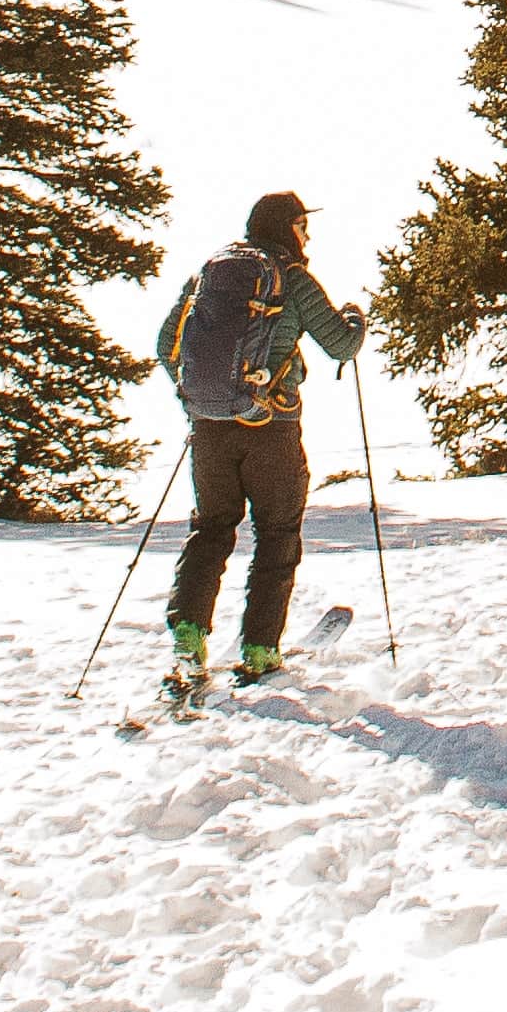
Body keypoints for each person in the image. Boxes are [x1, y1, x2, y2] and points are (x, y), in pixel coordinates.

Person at [154, 190, 365, 694]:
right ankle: (260, 650)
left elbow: (168, 345)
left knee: (210, 529)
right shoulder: (292, 279)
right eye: (302, 226)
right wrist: (356, 317)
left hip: (209, 429)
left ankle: (188, 639)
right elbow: (341, 343)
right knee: (276, 532)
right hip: (271, 427)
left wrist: (204, 398)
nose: (307, 236)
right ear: (287, 228)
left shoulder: (208, 273)